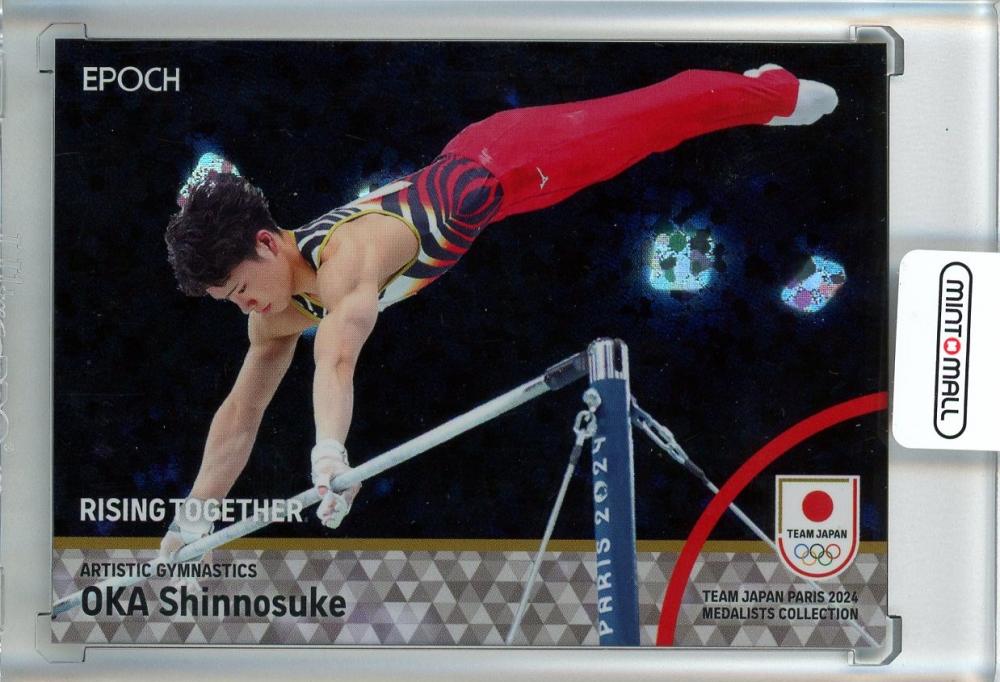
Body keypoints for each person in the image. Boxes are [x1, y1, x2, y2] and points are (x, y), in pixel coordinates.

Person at [159, 64, 837, 557]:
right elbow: (240, 416)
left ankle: (770, 90)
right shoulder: (272, 315)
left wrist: (330, 454)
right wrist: (190, 519)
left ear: (266, 243)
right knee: (653, 128)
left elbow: (336, 357)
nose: (244, 306)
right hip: (496, 198)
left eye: (240, 288)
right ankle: (757, 91)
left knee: (652, 118)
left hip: (510, 160)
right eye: (230, 302)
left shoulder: (349, 257)